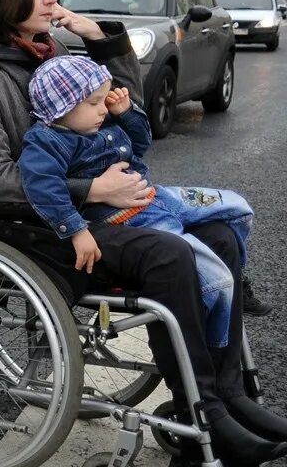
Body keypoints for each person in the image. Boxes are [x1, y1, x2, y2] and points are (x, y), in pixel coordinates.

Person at [0, 0, 287, 467]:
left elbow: (125, 108)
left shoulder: (47, 51)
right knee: (169, 254)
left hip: (94, 210)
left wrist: (101, 38)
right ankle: (204, 411)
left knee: (218, 232)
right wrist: (92, 191)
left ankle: (230, 391)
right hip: (32, 224)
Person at [20, 55, 254, 353]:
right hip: (133, 218)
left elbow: (141, 144)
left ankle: (240, 279)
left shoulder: (101, 124)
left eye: (103, 100)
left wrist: (127, 112)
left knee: (238, 207)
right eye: (93, 102)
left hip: (158, 197)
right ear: (60, 108)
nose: (102, 108)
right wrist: (77, 230)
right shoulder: (47, 141)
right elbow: (43, 187)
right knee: (216, 279)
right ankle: (218, 341)